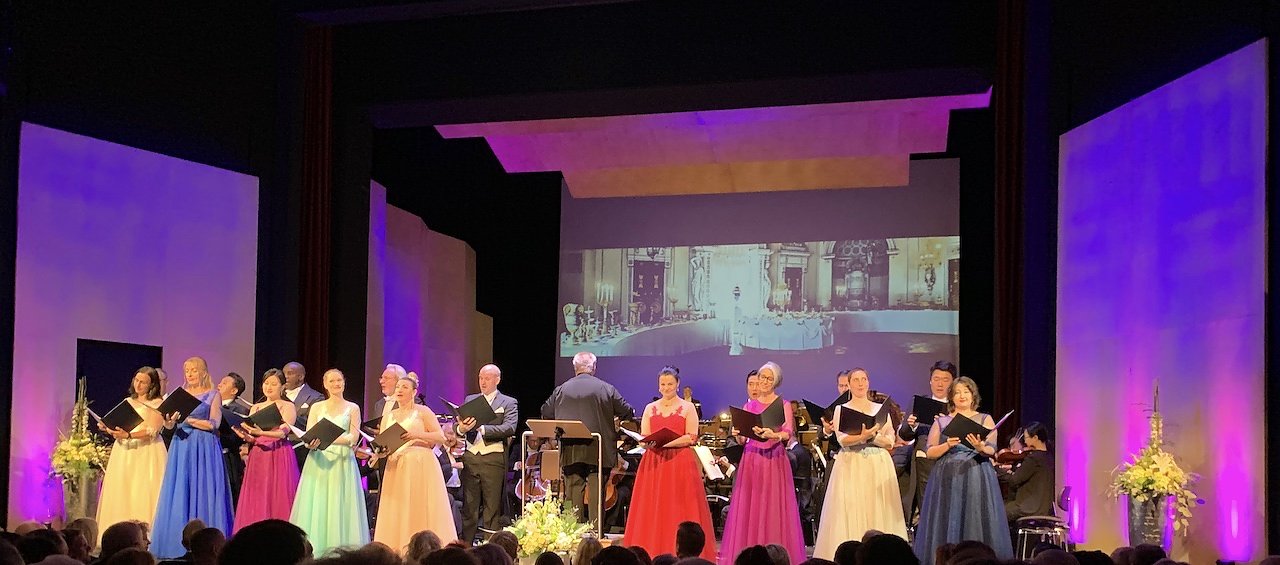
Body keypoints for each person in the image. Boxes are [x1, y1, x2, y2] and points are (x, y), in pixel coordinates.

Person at [912, 377, 1013, 564]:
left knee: (975, 517)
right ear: (951, 397)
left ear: (973, 395)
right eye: (957, 392)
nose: (962, 396)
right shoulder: (942, 421)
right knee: (947, 517)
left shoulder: (985, 419)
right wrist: (947, 445)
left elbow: (991, 450)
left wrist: (981, 447)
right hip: (947, 475)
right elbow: (930, 452)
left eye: (966, 391)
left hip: (976, 473)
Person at [623, 367, 716, 560]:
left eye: (670, 384)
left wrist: (667, 443)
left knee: (679, 504)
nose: (666, 388)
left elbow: (691, 437)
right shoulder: (650, 408)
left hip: (679, 461)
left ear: (677, 384)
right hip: (654, 462)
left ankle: (681, 552)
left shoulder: (687, 407)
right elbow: (645, 436)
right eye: (663, 384)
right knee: (653, 506)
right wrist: (647, 442)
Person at [813, 368, 907, 559]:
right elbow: (842, 439)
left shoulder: (880, 409)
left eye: (863, 379)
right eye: (855, 380)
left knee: (877, 507)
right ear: (849, 385)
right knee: (852, 506)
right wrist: (862, 437)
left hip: (877, 462)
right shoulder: (841, 409)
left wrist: (872, 437)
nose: (860, 383)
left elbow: (890, 440)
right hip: (852, 462)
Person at [719, 362, 805, 565]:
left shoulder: (783, 404)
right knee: (751, 504)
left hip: (774, 459)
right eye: (762, 377)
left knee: (772, 504)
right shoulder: (749, 405)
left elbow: (788, 432)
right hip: (752, 459)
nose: (764, 381)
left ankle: (774, 554)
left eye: (769, 378)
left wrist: (773, 435)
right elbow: (743, 439)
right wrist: (738, 433)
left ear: (776, 381)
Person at [150, 357, 235, 558]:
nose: (190, 374)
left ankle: (208, 544)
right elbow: (169, 426)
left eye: (194, 370)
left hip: (205, 447)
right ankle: (177, 543)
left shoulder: (213, 394)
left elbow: (213, 424)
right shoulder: (179, 394)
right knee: (182, 487)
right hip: (182, 445)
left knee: (204, 487)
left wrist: (188, 419)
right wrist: (170, 421)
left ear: (203, 372)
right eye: (187, 370)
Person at [540, 352, 635, 527]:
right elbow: (627, 411)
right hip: (599, 449)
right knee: (597, 493)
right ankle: (596, 532)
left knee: (572, 492)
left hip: (571, 449)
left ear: (574, 368)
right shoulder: (606, 388)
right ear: (594, 367)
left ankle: (573, 532)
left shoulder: (561, 389)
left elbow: (545, 411)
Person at [374, 373, 459, 553]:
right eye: (398, 387)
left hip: (420, 463)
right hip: (395, 466)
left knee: (418, 504)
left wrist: (416, 435)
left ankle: (423, 547)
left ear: (414, 392)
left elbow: (440, 436)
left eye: (405, 387)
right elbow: (384, 443)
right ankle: (396, 546)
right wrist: (380, 452)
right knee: (398, 506)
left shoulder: (423, 411)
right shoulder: (388, 416)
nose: (400, 390)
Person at [289, 369, 370, 556]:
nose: (336, 384)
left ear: (344, 382)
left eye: (339, 380)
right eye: (332, 381)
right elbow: (309, 435)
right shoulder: (317, 407)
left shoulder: (353, 407)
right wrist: (311, 442)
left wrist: (329, 438)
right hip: (319, 459)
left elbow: (353, 437)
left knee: (340, 501)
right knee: (319, 501)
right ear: (325, 384)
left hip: (342, 461)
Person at [96, 367, 168, 545]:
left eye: (143, 382)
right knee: (122, 488)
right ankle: (118, 536)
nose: (138, 385)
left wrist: (129, 435)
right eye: (136, 380)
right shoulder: (128, 401)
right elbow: (118, 425)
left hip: (146, 451)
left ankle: (143, 536)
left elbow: (152, 431)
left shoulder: (158, 403)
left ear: (152, 385)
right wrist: (108, 427)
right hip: (124, 451)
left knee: (142, 489)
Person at [455, 364, 519, 544]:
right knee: (469, 506)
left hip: (493, 459)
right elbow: (457, 426)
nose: (483, 382)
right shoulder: (471, 399)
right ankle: (466, 546)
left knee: (492, 507)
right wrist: (461, 428)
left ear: (497, 380)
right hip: (471, 457)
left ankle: (490, 547)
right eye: (481, 378)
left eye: (487, 378)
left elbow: (509, 427)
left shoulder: (508, 402)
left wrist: (482, 428)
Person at [231, 368, 301, 532]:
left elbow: (283, 433)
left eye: (274, 384)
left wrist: (260, 432)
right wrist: (246, 435)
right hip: (259, 453)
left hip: (279, 451)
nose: (269, 387)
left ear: (282, 387)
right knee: (257, 494)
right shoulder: (256, 407)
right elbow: (252, 436)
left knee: (278, 494)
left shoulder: (288, 406)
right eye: (266, 383)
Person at [898, 361, 955, 526]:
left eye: (945, 379)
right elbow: (904, 434)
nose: (940, 384)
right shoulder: (919, 402)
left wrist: (945, 426)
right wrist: (912, 425)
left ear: (952, 383)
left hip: (949, 459)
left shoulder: (956, 406)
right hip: (924, 460)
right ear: (930, 381)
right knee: (927, 505)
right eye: (936, 379)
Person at [998, 422, 1055, 524]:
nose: (1024, 441)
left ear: (1035, 438)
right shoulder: (1048, 457)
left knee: (995, 512)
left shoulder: (1034, 458)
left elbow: (1014, 480)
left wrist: (998, 470)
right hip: (1043, 508)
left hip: (1028, 508)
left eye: (1026, 437)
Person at [282, 361, 325, 469]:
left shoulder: (316, 397)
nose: (285, 376)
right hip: (278, 445)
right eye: (284, 373)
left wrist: (287, 417)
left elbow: (312, 423)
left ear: (301, 377)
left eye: (290, 373)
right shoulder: (277, 395)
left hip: (300, 447)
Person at [216, 372, 249, 506]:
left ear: (234, 391)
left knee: (230, 493)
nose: (219, 385)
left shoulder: (240, 410)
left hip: (229, 457)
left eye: (224, 383)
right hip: (211, 454)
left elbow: (238, 438)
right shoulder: (211, 405)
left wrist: (219, 435)